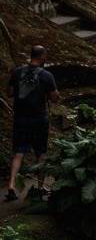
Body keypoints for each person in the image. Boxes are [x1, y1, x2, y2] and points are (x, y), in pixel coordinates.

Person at [6, 45, 59, 202]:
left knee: (18, 153)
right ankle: (41, 185)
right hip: (38, 120)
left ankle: (11, 185)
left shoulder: (17, 72)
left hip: (20, 119)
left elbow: (9, 92)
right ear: (42, 56)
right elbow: (54, 98)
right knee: (40, 153)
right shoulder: (47, 76)